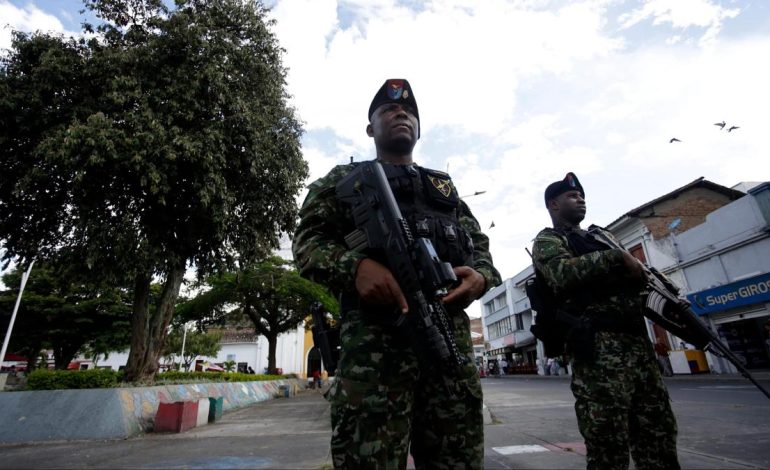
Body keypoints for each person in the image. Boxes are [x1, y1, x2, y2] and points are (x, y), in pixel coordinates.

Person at [293, 78, 500, 469]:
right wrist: (355, 267)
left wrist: (481, 278)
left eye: (408, 111)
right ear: (371, 129)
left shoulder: (444, 190)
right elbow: (306, 242)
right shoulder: (341, 182)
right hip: (376, 356)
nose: (401, 112)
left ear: (419, 129)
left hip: (448, 354)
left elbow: (481, 248)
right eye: (389, 110)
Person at [532, 172, 680, 470]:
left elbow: (640, 272)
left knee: (658, 433)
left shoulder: (601, 237)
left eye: (583, 195)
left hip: (638, 345)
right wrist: (615, 259)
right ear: (554, 205)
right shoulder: (549, 240)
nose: (581, 199)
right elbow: (560, 274)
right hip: (598, 349)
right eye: (573, 196)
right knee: (607, 440)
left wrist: (668, 294)